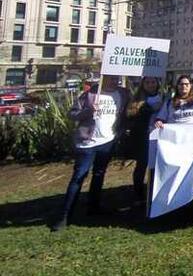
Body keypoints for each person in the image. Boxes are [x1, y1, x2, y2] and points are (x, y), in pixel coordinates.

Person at [52, 75, 131, 231]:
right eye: (112, 78)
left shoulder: (123, 94)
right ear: (104, 78)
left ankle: (93, 206)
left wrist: (121, 131)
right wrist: (89, 111)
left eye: (117, 79)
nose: (115, 81)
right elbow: (72, 114)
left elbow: (126, 114)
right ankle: (65, 216)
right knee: (79, 177)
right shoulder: (91, 94)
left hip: (108, 141)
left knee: (99, 174)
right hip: (87, 143)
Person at [122, 76, 164, 203]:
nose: (150, 85)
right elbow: (129, 118)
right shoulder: (136, 100)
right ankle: (138, 193)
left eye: (153, 82)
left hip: (161, 136)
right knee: (142, 165)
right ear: (143, 84)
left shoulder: (164, 97)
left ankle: (156, 191)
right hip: (143, 138)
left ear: (157, 83)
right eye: (147, 82)